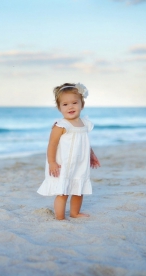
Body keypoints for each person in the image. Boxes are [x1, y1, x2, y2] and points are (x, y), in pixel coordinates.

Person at [37, 82, 100, 220]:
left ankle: (75, 213)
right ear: (59, 108)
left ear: (81, 104)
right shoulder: (61, 125)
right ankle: (59, 217)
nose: (70, 106)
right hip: (64, 164)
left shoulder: (84, 123)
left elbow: (85, 142)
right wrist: (52, 162)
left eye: (74, 103)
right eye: (65, 104)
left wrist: (92, 155)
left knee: (78, 190)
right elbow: (52, 145)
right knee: (63, 192)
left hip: (79, 163)